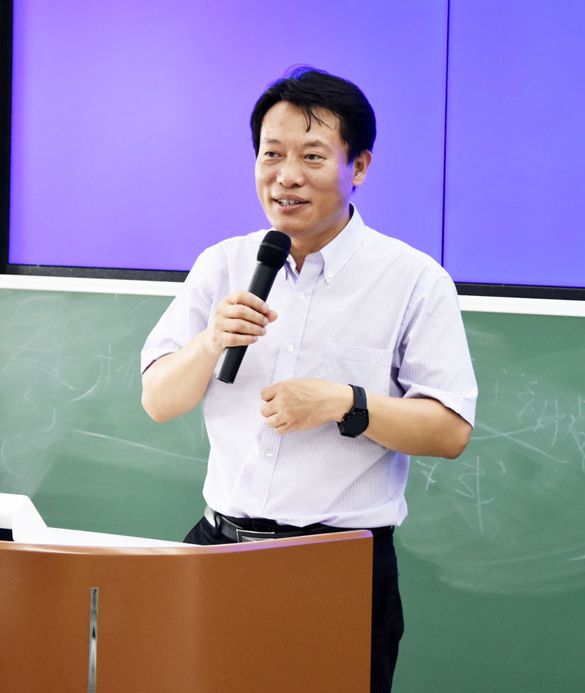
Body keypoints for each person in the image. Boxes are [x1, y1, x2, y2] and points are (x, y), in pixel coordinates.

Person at [140, 66, 477, 693]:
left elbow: (449, 430)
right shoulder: (223, 265)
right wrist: (210, 342)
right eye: (271, 155)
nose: (286, 176)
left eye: (313, 156)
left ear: (360, 166)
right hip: (217, 550)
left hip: (338, 569)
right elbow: (158, 400)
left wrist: (345, 403)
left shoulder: (413, 280)